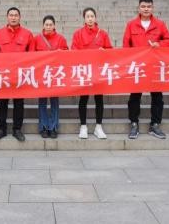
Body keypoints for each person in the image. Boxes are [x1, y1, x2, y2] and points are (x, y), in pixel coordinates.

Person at [123, 0, 169, 140]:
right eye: (143, 6)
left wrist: (159, 45)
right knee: (134, 96)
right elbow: (126, 45)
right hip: (138, 66)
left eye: (149, 6)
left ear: (153, 8)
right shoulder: (131, 24)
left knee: (157, 96)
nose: (146, 9)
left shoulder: (160, 24)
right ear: (139, 8)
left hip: (154, 65)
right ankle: (134, 123)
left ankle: (155, 124)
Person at [0, 7, 35, 142]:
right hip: (3, 74)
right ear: (7, 17)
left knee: (19, 103)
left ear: (20, 17)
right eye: (11, 15)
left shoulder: (27, 34)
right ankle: (2, 129)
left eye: (16, 15)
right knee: (2, 102)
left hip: (20, 75)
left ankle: (17, 129)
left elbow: (32, 54)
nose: (13, 17)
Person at [71, 7, 112, 139]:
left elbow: (110, 50)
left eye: (92, 16)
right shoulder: (78, 34)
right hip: (84, 70)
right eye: (87, 16)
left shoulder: (103, 34)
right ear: (84, 18)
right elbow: (74, 50)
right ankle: (83, 126)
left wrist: (103, 51)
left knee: (99, 99)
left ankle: (98, 126)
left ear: (95, 18)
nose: (90, 18)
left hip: (98, 70)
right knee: (83, 98)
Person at [34, 15, 68, 138]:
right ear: (43, 26)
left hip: (55, 74)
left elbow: (66, 55)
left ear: (54, 26)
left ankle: (53, 127)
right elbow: (32, 56)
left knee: (54, 101)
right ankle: (43, 126)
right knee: (42, 101)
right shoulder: (36, 39)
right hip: (41, 74)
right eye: (46, 24)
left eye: (50, 24)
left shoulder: (61, 39)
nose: (48, 27)